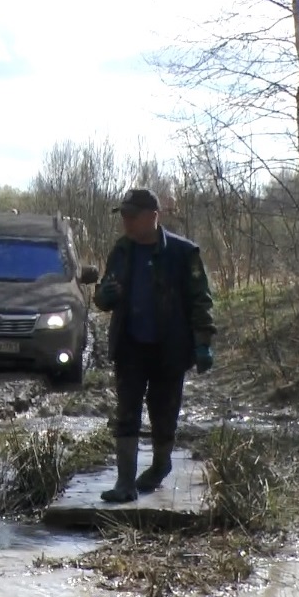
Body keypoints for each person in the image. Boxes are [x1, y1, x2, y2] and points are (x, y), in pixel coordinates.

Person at [92, 188, 217, 503]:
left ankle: (161, 465)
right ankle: (125, 483)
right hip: (130, 345)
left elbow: (201, 300)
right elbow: (104, 294)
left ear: (153, 217)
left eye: (132, 216)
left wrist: (203, 343)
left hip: (169, 347)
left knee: (164, 412)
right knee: (127, 412)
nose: (126, 222)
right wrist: (104, 297)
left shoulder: (183, 253)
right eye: (123, 216)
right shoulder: (122, 250)